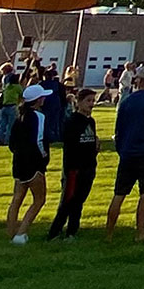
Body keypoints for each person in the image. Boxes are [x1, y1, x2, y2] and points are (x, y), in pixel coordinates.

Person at [106, 66, 144, 241]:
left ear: (138, 80)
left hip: (127, 154)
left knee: (119, 194)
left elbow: (119, 130)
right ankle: (140, 232)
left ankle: (109, 233)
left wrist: (121, 149)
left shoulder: (126, 101)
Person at [46, 87, 102, 241]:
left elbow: (89, 141)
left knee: (79, 201)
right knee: (67, 201)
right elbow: (70, 147)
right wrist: (72, 168)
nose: (91, 104)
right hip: (74, 169)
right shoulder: (72, 121)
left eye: (93, 101)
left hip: (89, 166)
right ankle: (55, 232)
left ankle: (72, 231)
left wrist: (95, 145)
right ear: (78, 102)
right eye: (88, 101)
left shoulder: (91, 121)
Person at [3, 83, 51, 242]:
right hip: (34, 164)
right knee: (39, 199)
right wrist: (44, 157)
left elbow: (12, 143)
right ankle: (21, 232)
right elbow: (39, 139)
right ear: (38, 100)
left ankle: (11, 232)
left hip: (18, 163)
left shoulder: (19, 116)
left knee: (17, 198)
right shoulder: (39, 116)